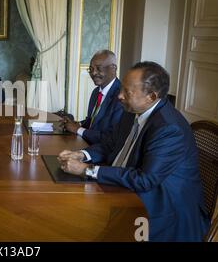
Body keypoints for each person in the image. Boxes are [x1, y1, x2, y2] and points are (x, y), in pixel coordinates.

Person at [58, 62, 210, 241]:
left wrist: (86, 169)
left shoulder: (169, 129)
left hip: (164, 209)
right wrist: (82, 155)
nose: (119, 96)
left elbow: (145, 180)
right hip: (123, 188)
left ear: (151, 97)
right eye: (121, 88)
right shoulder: (132, 110)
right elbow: (110, 143)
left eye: (127, 92)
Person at [62, 50, 123, 145]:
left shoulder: (121, 96)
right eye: (91, 69)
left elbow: (110, 137)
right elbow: (93, 121)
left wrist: (77, 129)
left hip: (104, 153)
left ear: (113, 68)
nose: (93, 73)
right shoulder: (96, 92)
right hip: (88, 144)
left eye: (99, 68)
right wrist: (77, 124)